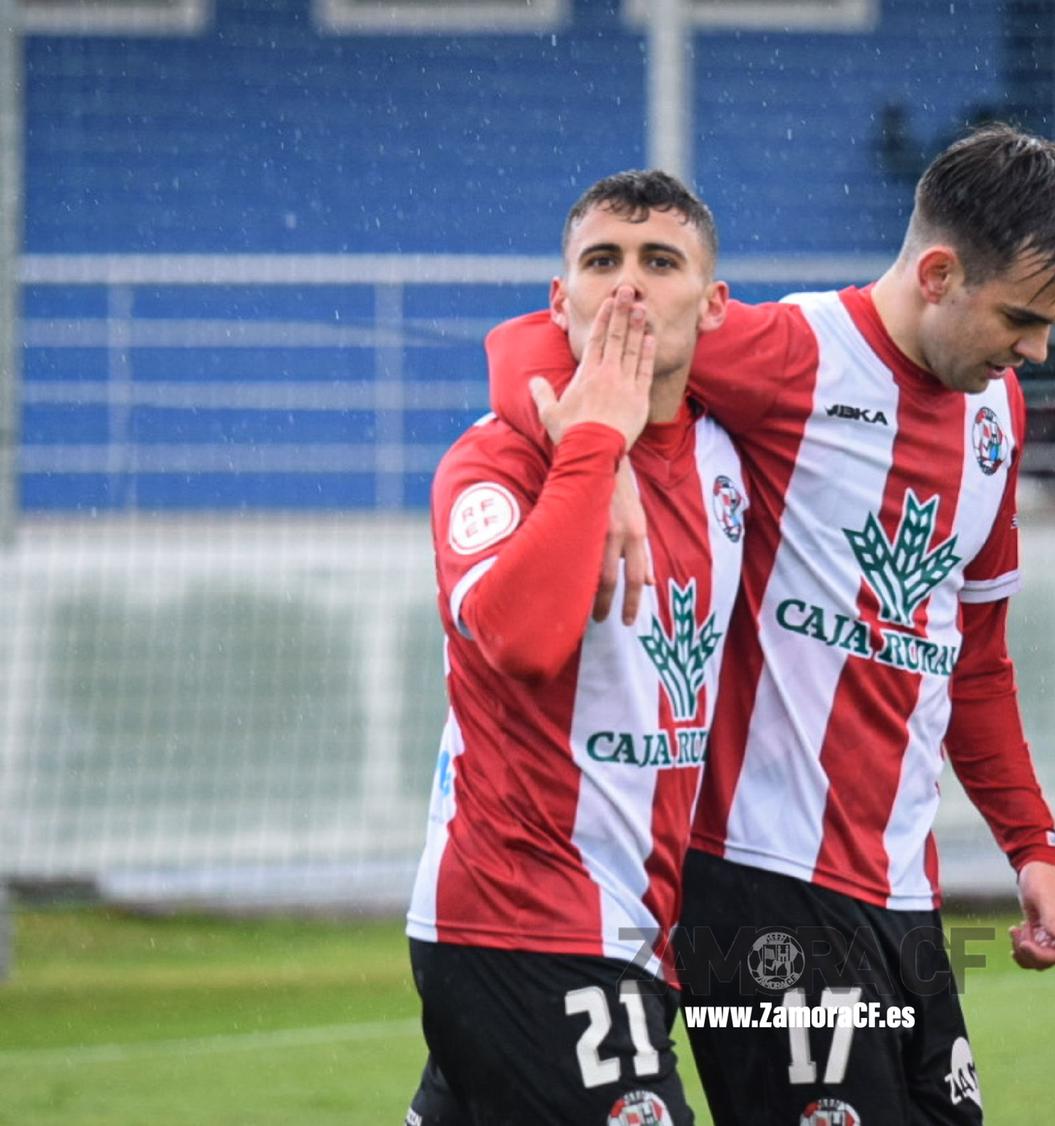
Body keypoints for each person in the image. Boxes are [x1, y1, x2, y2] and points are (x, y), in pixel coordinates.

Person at [487, 123, 1055, 1124]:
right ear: (940, 273)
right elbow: (552, 331)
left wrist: (1031, 844)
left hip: (903, 894)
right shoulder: (791, 354)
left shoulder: (997, 411)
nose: (1033, 349)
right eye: (1021, 318)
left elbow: (975, 661)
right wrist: (589, 456)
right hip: (755, 885)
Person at [403, 171, 746, 1125]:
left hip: (639, 920)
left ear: (715, 306)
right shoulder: (494, 461)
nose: (627, 287)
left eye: (659, 262)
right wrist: (593, 447)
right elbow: (520, 642)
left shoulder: (736, 449)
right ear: (561, 299)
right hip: (521, 915)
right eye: (602, 262)